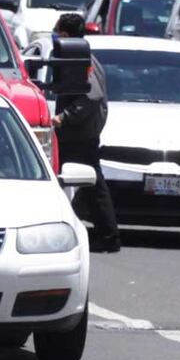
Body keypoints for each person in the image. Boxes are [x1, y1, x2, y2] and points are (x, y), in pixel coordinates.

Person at [52, 13, 120, 253]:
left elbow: (92, 96)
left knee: (93, 185)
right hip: (77, 132)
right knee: (85, 184)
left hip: (80, 133)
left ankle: (108, 236)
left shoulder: (83, 60)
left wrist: (65, 117)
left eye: (57, 32)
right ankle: (102, 233)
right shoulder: (77, 57)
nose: (55, 37)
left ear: (65, 35)